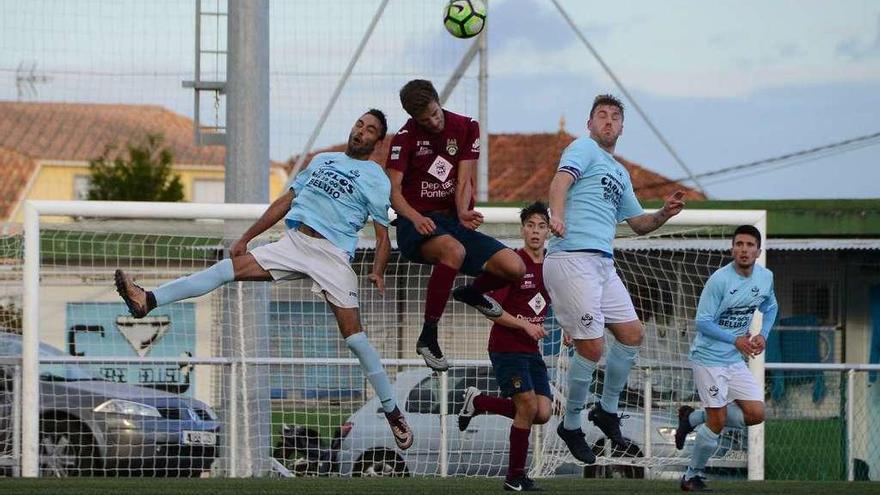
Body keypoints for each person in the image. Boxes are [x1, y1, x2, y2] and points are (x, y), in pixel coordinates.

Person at [113, 110, 413, 451]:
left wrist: (377, 269)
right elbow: (285, 202)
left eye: (370, 129)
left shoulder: (375, 177)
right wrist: (247, 236)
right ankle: (147, 300)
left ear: (378, 141)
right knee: (225, 270)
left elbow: (382, 235)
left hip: (332, 257)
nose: (361, 131)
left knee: (356, 340)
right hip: (295, 243)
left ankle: (392, 411)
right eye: (359, 123)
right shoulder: (321, 161)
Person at [544, 94, 686, 463]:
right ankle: (571, 424)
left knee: (632, 334)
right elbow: (559, 184)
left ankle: (606, 411)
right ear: (589, 123)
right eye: (602, 116)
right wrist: (557, 216)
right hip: (572, 258)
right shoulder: (582, 149)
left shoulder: (620, 173)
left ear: (622, 127)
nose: (608, 121)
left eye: (615, 117)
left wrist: (664, 214)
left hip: (603, 265)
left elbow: (639, 225)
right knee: (592, 348)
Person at [386, 79, 526, 371]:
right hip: (417, 224)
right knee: (454, 251)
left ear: (439, 101)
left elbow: (463, 179)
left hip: (452, 222)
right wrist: (415, 217)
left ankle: (472, 293)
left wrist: (463, 211)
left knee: (515, 267)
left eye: (436, 113)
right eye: (426, 120)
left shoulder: (465, 127)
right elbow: (393, 191)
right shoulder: (404, 138)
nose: (434, 122)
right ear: (414, 119)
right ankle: (428, 335)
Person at [457, 201, 552, 492]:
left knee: (543, 413)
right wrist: (524, 325)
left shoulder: (552, 265)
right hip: (506, 345)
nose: (535, 231)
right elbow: (491, 306)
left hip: (531, 350)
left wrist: (572, 329)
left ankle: (479, 402)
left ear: (548, 231)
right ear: (522, 229)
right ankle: (515, 476)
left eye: (541, 226)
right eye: (530, 225)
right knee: (526, 405)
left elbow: (562, 298)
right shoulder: (513, 263)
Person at [675, 225, 777, 492]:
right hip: (708, 359)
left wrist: (763, 335)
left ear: (758, 250)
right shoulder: (719, 280)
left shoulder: (765, 277)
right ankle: (691, 476)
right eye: (739, 244)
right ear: (732, 249)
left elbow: (771, 305)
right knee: (718, 421)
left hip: (733, 358)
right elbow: (702, 323)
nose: (744, 249)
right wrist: (736, 340)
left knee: (756, 413)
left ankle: (692, 418)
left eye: (749, 245)